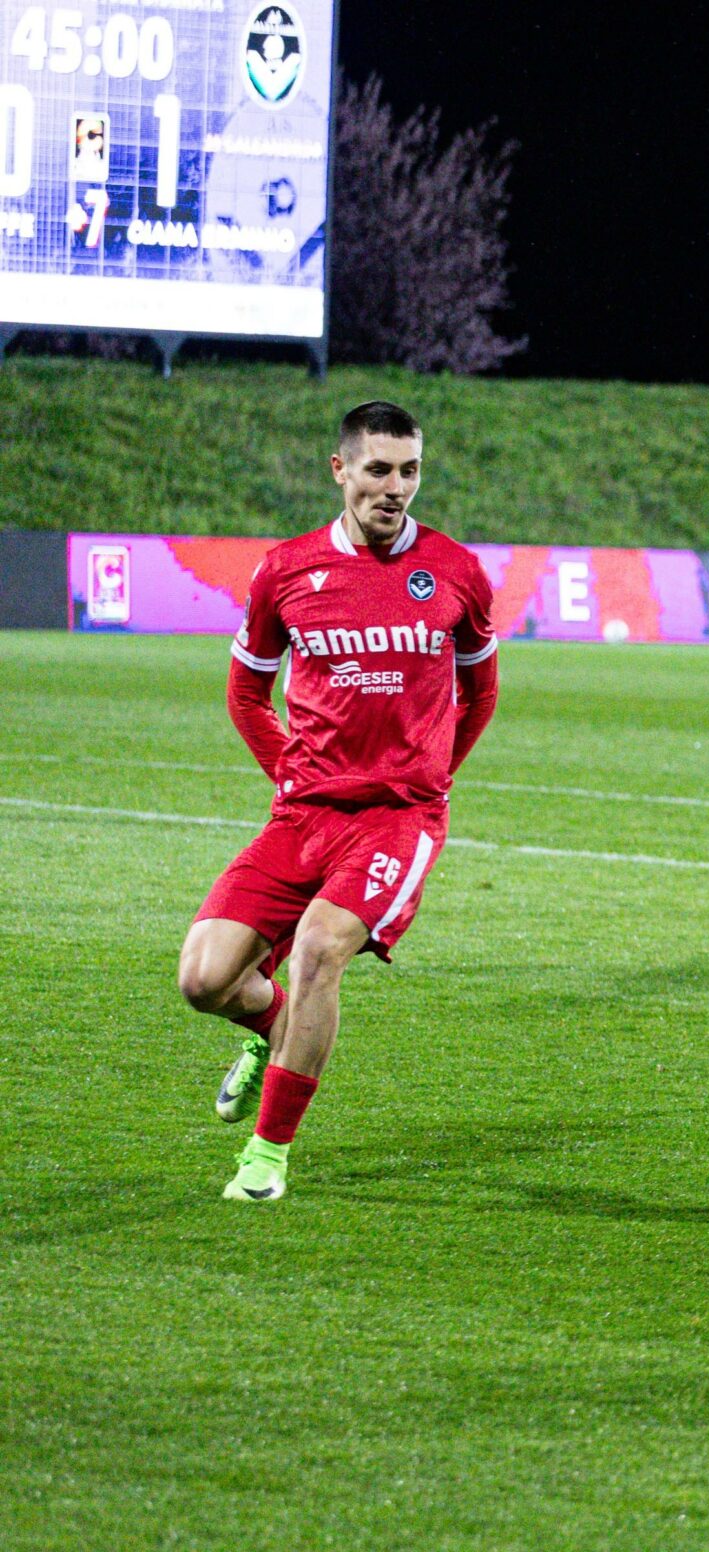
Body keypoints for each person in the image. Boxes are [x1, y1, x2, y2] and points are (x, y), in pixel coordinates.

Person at [177, 401, 500, 1203]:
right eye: (379, 470)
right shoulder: (286, 571)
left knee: (320, 948)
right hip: (304, 815)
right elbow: (247, 693)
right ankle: (271, 1028)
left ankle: (266, 1157)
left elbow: (481, 691)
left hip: (398, 818)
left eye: (410, 471)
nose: (396, 487)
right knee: (204, 981)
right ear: (341, 469)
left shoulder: (456, 571)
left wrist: (433, 779)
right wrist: (288, 773)